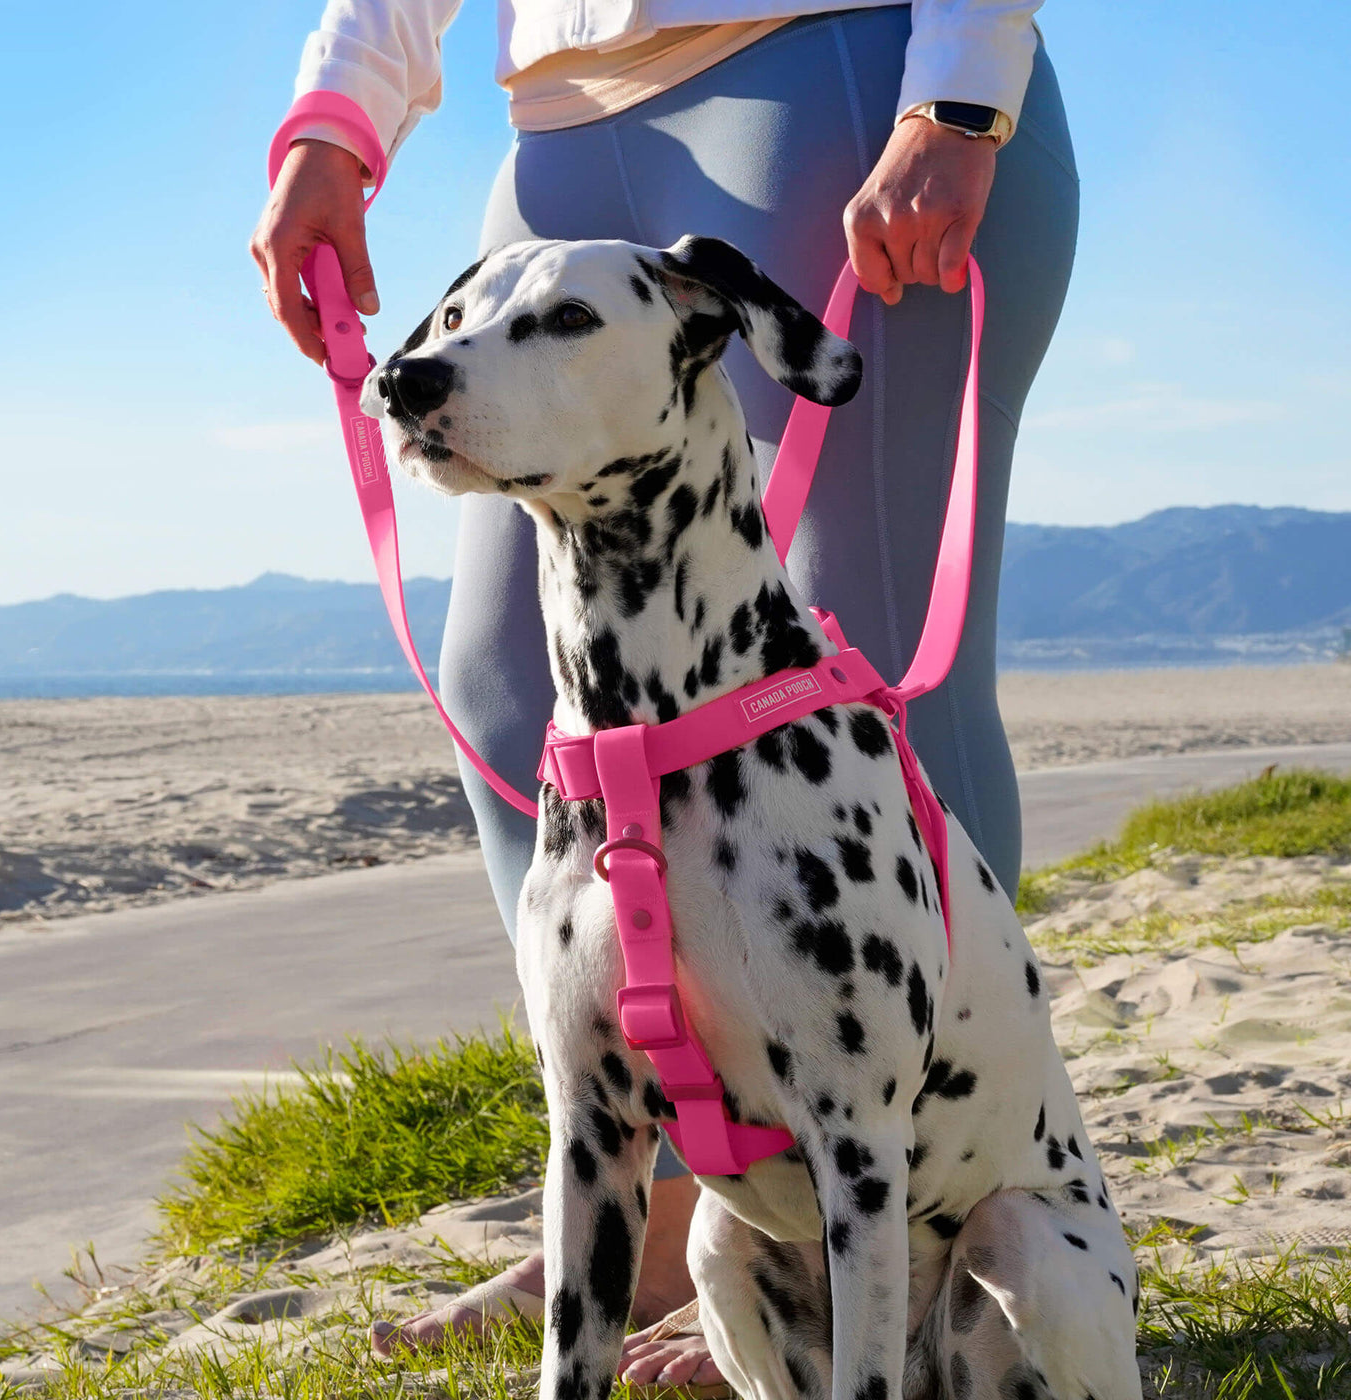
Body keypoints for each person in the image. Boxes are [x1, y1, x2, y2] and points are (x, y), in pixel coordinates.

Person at [253, 0, 1077, 1387]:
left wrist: (960, 97)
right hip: (558, 132)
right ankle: (672, 1214)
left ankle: (918, 1247)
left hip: (829, 73)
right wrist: (339, 111)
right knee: (511, 688)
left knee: (868, 684)